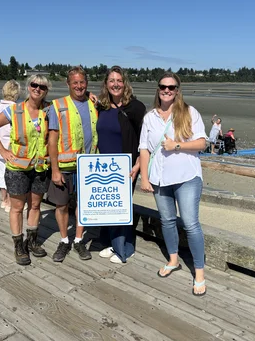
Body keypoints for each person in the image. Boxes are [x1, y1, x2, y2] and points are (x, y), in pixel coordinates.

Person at [139, 72, 208, 296]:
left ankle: (199, 273)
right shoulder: (150, 117)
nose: (167, 90)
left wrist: (176, 145)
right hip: (159, 179)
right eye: (163, 87)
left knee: (190, 223)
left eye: (171, 87)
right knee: (167, 221)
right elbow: (144, 149)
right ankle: (173, 260)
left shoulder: (189, 112)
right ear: (158, 89)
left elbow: (202, 143)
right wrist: (145, 178)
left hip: (187, 177)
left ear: (177, 90)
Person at [0, 75, 52, 265]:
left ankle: (31, 241)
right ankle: (18, 245)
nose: (37, 89)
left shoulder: (49, 110)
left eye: (42, 87)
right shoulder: (15, 110)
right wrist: (2, 150)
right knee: (16, 207)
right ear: (28, 87)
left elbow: (72, 103)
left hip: (39, 167)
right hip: (17, 168)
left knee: (36, 206)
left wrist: (90, 95)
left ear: (46, 91)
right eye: (34, 85)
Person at [95, 66, 146, 264]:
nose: (115, 84)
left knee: (121, 206)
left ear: (125, 83)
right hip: (103, 167)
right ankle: (110, 243)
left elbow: (145, 140)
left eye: (119, 80)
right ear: (106, 84)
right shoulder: (102, 107)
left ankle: (125, 248)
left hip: (127, 167)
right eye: (111, 81)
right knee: (107, 203)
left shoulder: (135, 107)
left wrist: (138, 164)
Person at [47, 66, 98, 262]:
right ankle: (64, 240)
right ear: (68, 84)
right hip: (64, 165)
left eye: (82, 82)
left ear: (87, 83)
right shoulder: (58, 105)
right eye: (74, 82)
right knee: (61, 205)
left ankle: (78, 239)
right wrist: (55, 169)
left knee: (82, 205)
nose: (79, 86)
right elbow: (52, 140)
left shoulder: (94, 103)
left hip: (88, 165)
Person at [0, 80, 21, 212]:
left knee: (1, 174)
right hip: (11, 148)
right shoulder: (16, 108)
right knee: (13, 176)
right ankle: (11, 202)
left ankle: (4, 200)